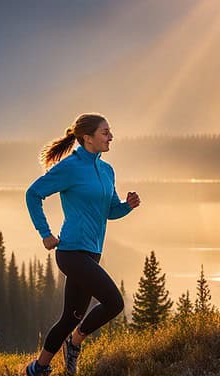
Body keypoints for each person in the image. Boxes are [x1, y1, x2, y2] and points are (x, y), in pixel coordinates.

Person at [23, 113, 141, 376]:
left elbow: (110, 211)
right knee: (114, 302)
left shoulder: (107, 170)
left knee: (71, 316)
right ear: (87, 138)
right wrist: (45, 233)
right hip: (71, 251)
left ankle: (38, 368)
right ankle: (75, 343)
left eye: (110, 132)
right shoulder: (71, 167)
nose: (111, 137)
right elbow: (33, 194)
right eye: (105, 132)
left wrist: (127, 206)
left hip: (92, 252)